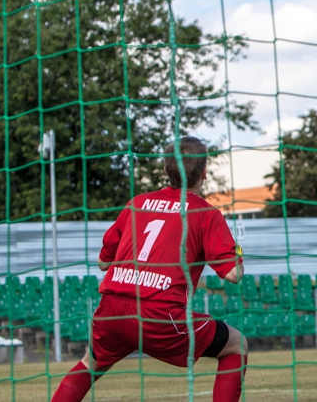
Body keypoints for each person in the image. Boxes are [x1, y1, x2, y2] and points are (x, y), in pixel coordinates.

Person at [51, 137, 247, 402]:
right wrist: (235, 248)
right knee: (237, 345)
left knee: (90, 363)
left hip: (112, 309)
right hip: (158, 315)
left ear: (166, 171)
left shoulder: (136, 203)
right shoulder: (205, 213)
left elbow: (103, 263)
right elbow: (234, 275)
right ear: (204, 173)